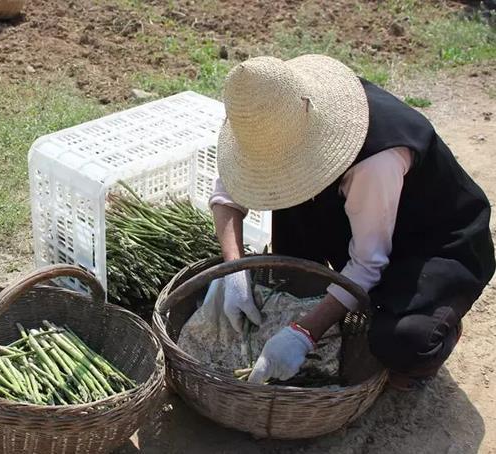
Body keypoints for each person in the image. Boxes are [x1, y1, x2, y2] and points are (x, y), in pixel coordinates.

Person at [209, 55, 495, 390]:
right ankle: (341, 303)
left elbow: (368, 262)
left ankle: (439, 324)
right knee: (291, 278)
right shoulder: (269, 113)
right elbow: (227, 192)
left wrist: (303, 334)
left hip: (433, 243)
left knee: (402, 342)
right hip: (361, 215)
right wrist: (234, 269)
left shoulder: (375, 159)